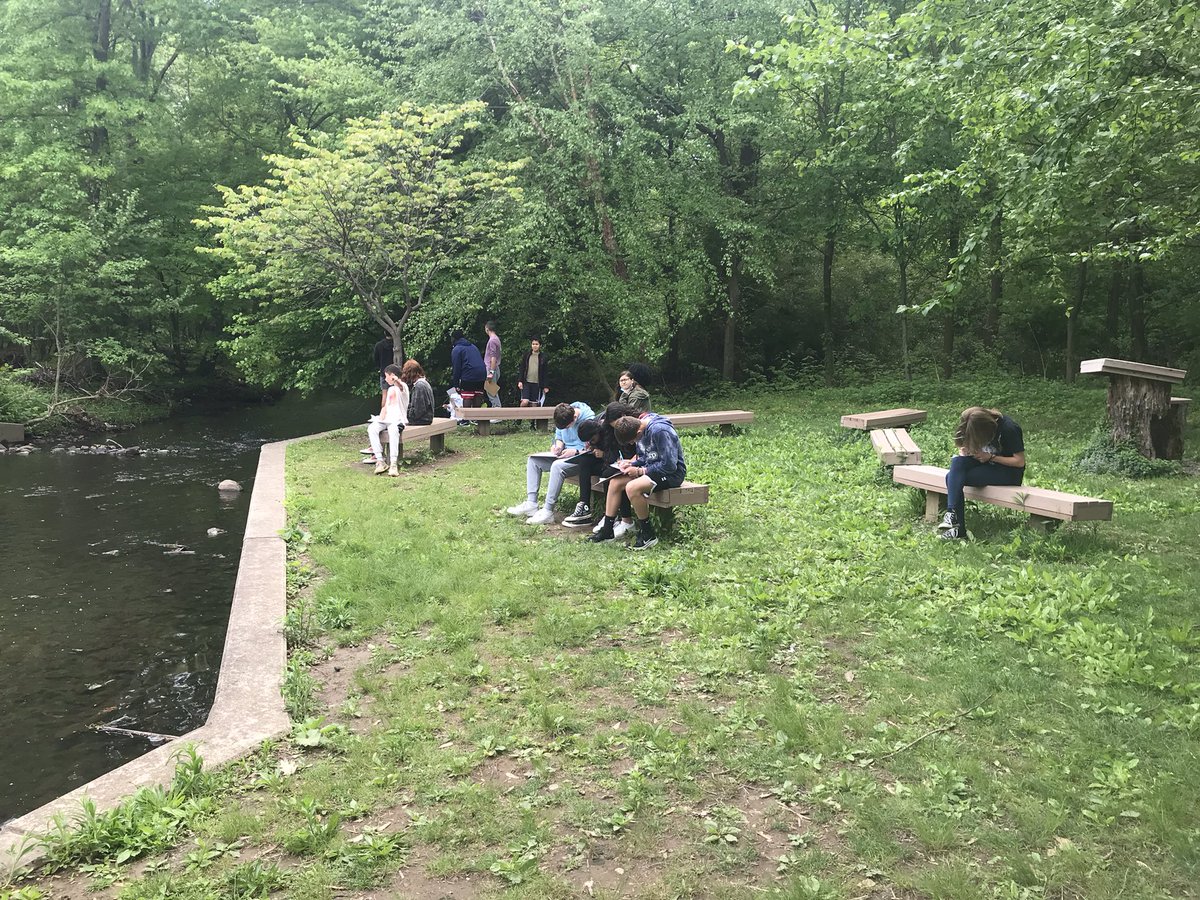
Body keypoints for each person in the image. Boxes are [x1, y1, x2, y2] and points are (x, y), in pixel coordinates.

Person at [590, 413, 686, 550]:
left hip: (672, 474)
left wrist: (641, 471)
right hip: (652, 470)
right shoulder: (638, 428)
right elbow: (645, 457)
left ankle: (648, 534)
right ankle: (607, 529)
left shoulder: (660, 431)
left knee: (632, 488)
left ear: (639, 432)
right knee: (615, 482)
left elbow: (669, 465)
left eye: (632, 441)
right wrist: (631, 463)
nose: (632, 444)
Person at [939, 406, 1026, 540]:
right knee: (957, 463)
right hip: (987, 462)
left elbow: (1019, 461)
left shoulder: (1009, 429)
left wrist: (991, 457)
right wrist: (967, 451)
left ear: (987, 429)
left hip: (1008, 472)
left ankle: (958, 528)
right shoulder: (975, 423)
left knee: (952, 477)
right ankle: (951, 514)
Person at [506, 401, 595, 525]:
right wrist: (557, 446)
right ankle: (531, 503)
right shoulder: (564, 415)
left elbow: (592, 450)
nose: (566, 430)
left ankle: (548, 510)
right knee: (533, 460)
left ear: (574, 418)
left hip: (580, 459)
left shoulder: (589, 421)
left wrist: (574, 452)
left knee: (557, 466)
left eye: (568, 427)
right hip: (563, 455)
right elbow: (559, 436)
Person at [563, 402, 637, 529]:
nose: (591, 442)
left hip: (616, 463)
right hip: (606, 462)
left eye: (592, 440)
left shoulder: (611, 431)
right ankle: (584, 505)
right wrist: (592, 447)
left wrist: (603, 454)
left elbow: (620, 454)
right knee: (584, 461)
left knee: (608, 474)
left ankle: (612, 515)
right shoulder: (597, 423)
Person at [367, 364, 409, 477]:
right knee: (372, 429)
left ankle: (393, 464)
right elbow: (386, 407)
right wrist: (380, 417)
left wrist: (396, 380)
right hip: (387, 419)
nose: (385, 379)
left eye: (387, 376)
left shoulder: (403, 386)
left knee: (393, 430)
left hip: (398, 420)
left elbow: (400, 387)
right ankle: (380, 461)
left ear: (392, 376)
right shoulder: (390, 390)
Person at [450, 330, 487, 394]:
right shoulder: (473, 346)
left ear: (453, 338)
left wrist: (456, 385)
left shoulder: (457, 349)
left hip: (469, 377)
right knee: (478, 395)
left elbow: (456, 368)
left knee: (467, 395)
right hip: (482, 376)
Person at [516, 337, 550, 407]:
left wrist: (546, 386)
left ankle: (532, 418)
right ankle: (519, 417)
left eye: (536, 344)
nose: (535, 346)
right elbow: (522, 368)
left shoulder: (543, 357)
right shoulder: (527, 355)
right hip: (526, 382)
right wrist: (520, 381)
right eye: (533, 344)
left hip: (537, 383)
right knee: (525, 401)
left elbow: (545, 373)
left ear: (540, 345)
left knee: (534, 404)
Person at [401, 359, 435, 426]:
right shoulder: (423, 383)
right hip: (426, 418)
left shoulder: (419, 386)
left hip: (423, 420)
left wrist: (405, 414)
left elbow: (418, 411)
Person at [483, 321, 502, 408]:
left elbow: (493, 357)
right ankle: (496, 409)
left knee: (491, 390)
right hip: (495, 368)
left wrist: (491, 372)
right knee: (492, 390)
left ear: (487, 329)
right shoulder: (496, 339)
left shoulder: (492, 340)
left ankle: (497, 409)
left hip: (492, 368)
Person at [372, 334, 394, 406]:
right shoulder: (397, 344)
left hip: (383, 373)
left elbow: (376, 359)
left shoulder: (379, 345)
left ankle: (383, 413)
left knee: (385, 394)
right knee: (394, 394)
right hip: (395, 373)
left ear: (385, 333)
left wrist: (380, 367)